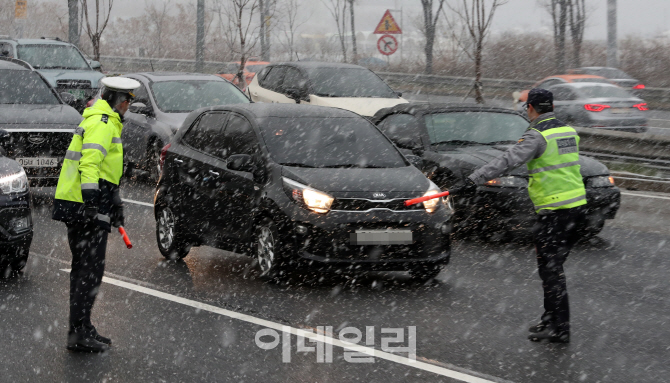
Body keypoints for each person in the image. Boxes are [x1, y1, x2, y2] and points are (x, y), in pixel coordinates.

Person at [453, 88, 586, 343]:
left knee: (551, 271)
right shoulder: (567, 131)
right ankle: (551, 320)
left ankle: (560, 328)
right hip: (576, 207)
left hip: (554, 210)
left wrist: (473, 179)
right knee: (553, 268)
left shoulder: (537, 135)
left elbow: (508, 160)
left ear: (531, 108)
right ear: (552, 107)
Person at [52, 77, 141, 352]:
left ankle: (81, 327)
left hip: (81, 202)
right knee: (89, 271)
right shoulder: (102, 123)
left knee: (84, 269)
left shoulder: (101, 120)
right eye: (126, 102)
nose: (127, 107)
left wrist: (115, 204)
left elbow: (105, 169)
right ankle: (78, 332)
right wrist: (92, 205)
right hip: (83, 204)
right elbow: (89, 165)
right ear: (118, 101)